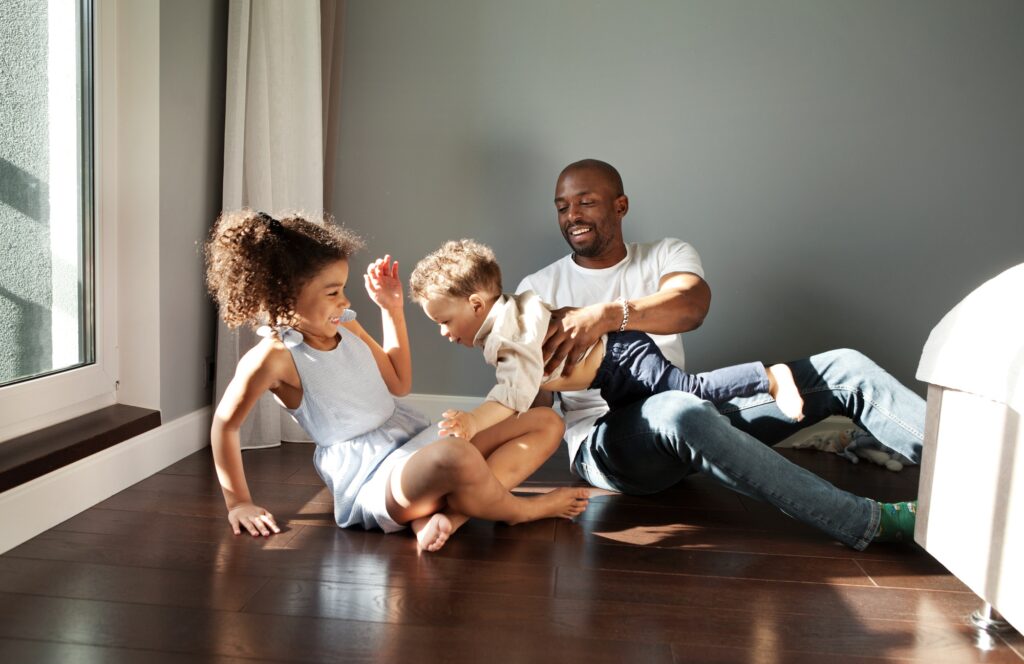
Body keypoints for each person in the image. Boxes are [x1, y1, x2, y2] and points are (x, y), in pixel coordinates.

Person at [516, 159, 923, 548]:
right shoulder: (537, 289)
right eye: (562, 207)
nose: (572, 216)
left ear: (620, 206)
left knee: (845, 367)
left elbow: (691, 307)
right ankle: (869, 522)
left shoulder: (666, 254)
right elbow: (536, 409)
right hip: (609, 444)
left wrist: (607, 316)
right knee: (677, 408)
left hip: (696, 413)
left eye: (585, 202)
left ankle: (978, 485)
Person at [205, 209, 588, 553]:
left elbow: (399, 382)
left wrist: (391, 309)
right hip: (373, 477)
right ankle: (520, 511)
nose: (343, 301)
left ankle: (449, 517)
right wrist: (239, 502)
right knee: (458, 454)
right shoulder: (273, 358)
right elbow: (226, 425)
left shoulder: (345, 321)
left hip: (411, 441)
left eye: (344, 289)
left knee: (546, 421)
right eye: (333, 292)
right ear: (285, 296)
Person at [408, 238, 806, 441]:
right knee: (634, 423)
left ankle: (769, 376)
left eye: (444, 321)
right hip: (608, 377)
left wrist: (473, 422)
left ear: (477, 305)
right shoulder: (507, 316)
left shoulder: (510, 334)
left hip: (623, 357)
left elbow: (512, 394)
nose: (444, 333)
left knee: (688, 388)